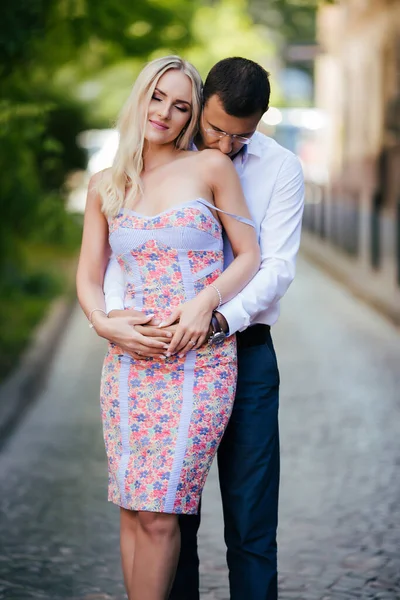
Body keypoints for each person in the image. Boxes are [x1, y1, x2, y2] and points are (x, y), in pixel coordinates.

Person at [103, 57, 305, 600]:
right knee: (170, 513)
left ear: (260, 120)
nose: (225, 144)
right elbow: (126, 250)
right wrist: (118, 314)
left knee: (251, 518)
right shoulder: (169, 154)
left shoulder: (281, 168)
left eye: (241, 134)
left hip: (246, 348)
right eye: (215, 127)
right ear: (202, 105)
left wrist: (216, 317)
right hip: (165, 353)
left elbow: (275, 267)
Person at [76, 55, 260, 600]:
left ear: (191, 115)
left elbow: (249, 256)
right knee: (134, 510)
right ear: (140, 98)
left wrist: (206, 301)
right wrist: (106, 325)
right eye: (158, 97)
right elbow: (88, 277)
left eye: (182, 106)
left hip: (197, 363)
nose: (165, 112)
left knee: (161, 514)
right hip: (128, 364)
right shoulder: (105, 184)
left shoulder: (211, 169)